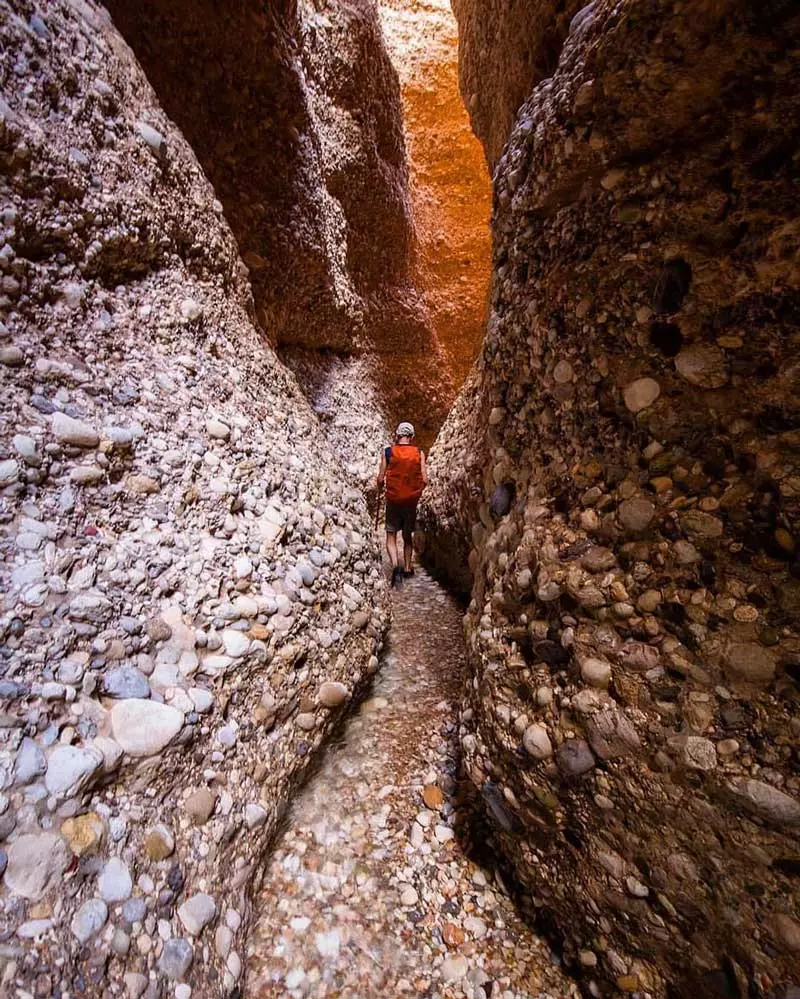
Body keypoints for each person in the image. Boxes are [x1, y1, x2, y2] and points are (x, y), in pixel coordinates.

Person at [376, 421, 427, 588]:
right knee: (407, 536)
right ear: (411, 437)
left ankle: (396, 567)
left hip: (393, 500)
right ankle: (407, 568)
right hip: (410, 502)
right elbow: (425, 479)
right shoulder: (419, 453)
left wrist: (381, 486)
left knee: (391, 536)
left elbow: (380, 478)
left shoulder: (388, 452)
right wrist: (416, 492)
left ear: (397, 435)